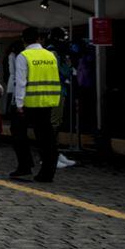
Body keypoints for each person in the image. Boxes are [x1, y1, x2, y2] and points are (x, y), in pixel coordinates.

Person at [9, 27, 61, 183]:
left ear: (23, 40)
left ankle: (25, 166)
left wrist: (19, 103)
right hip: (48, 101)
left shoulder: (23, 56)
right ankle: (48, 172)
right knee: (47, 138)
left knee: (18, 133)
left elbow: (21, 82)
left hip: (29, 102)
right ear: (39, 38)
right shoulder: (50, 55)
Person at [45, 28, 76, 169]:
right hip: (55, 91)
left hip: (58, 90)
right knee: (54, 124)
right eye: (64, 37)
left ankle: (55, 153)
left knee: (56, 123)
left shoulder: (55, 52)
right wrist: (69, 67)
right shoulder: (54, 53)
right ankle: (50, 155)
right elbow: (62, 71)